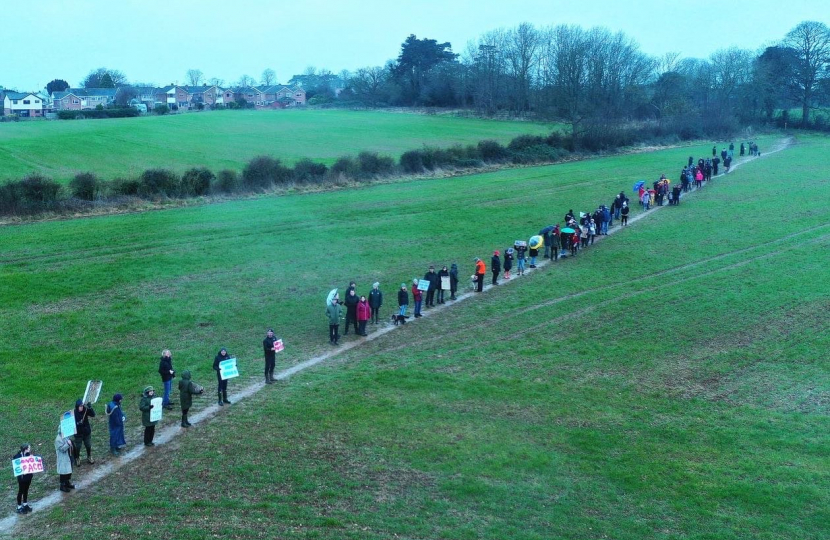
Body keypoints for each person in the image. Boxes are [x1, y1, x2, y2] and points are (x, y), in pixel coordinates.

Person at [72, 399, 96, 466]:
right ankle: (77, 458)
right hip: (78, 434)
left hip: (86, 432)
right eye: (80, 406)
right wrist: (77, 423)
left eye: (82, 406)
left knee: (88, 445)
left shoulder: (85, 410)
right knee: (78, 447)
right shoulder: (73, 413)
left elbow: (93, 415)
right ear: (77, 406)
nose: (81, 407)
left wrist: (90, 408)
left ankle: (89, 456)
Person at [14, 444, 34, 513]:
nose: (29, 449)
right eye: (29, 448)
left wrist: (32, 458)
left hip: (28, 476)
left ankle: (25, 503)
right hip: (22, 477)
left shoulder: (28, 454)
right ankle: (19, 506)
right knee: (21, 491)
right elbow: (17, 466)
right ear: (25, 449)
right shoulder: (17, 456)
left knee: (26, 490)